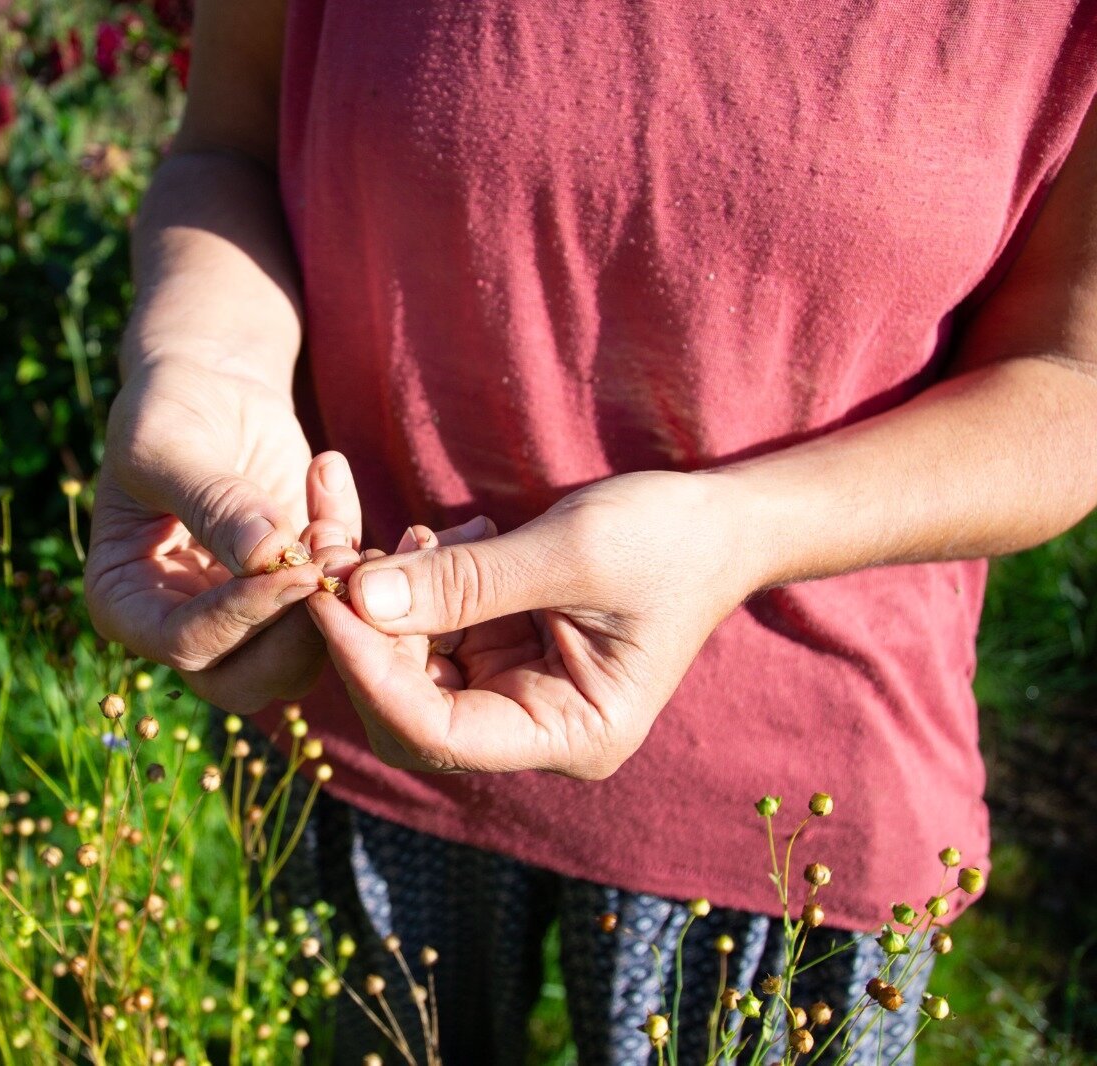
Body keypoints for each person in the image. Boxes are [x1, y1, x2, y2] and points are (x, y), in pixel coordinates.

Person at [85, 1, 1097, 1062]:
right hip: (352, 723)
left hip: (791, 808)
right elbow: (227, 145)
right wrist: (206, 364)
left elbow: (1072, 387)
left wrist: (735, 532)